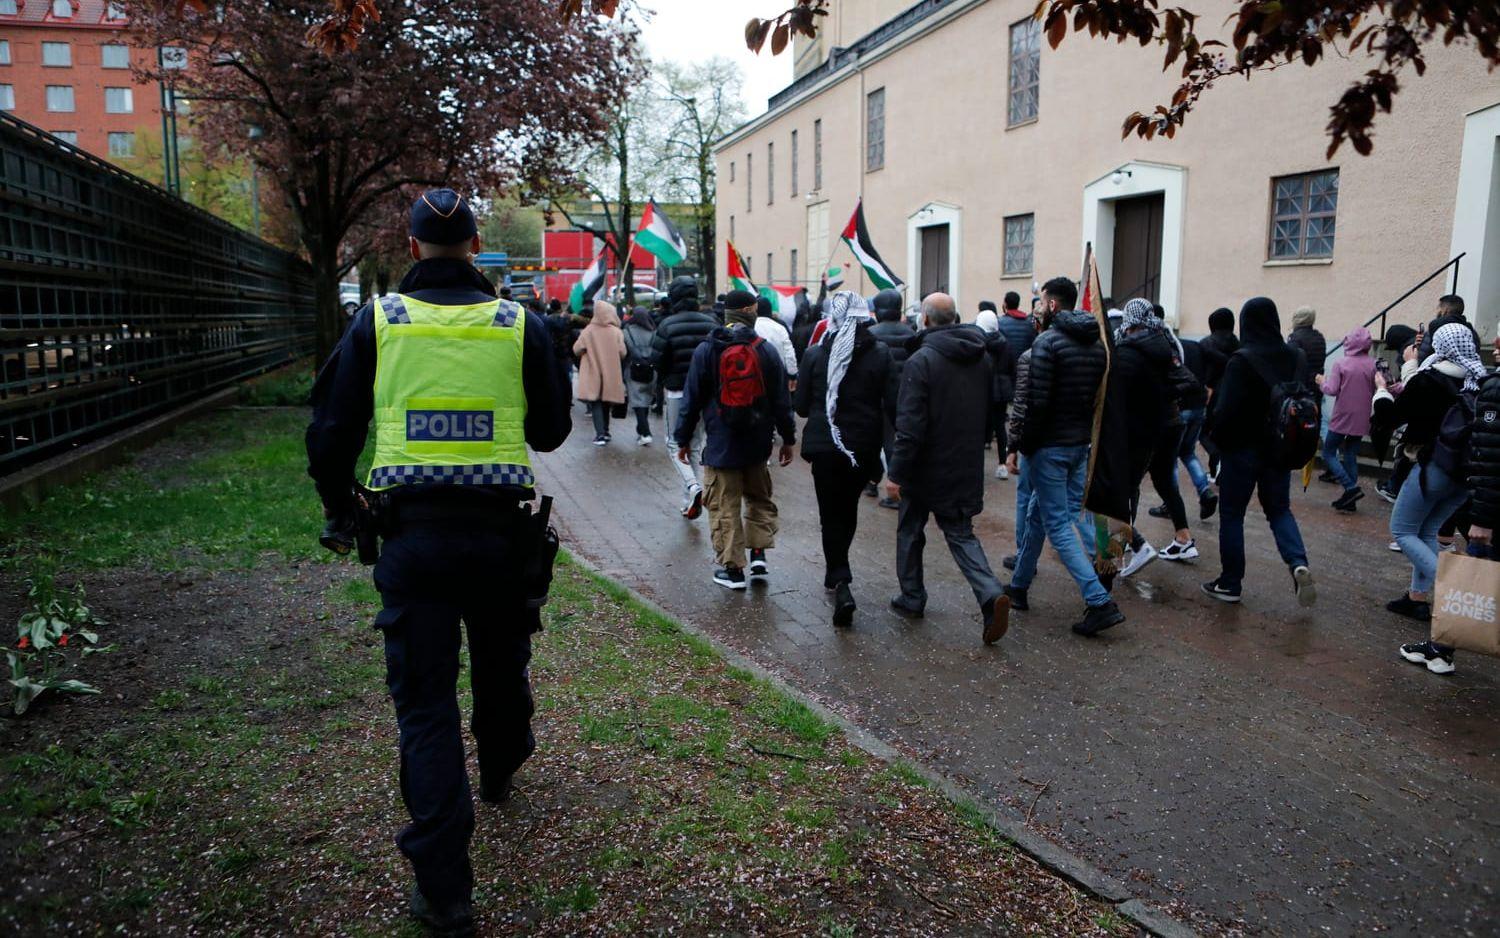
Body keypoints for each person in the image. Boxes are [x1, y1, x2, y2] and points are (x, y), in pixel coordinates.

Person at [305, 189, 571, 935]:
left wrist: (337, 506)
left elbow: (330, 431)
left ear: (413, 246)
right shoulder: (517, 323)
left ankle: (446, 889)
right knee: (500, 663)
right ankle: (501, 764)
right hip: (498, 538)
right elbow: (550, 432)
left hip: (411, 540)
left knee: (425, 707)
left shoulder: (380, 322)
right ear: (476, 242)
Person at [887, 293, 1010, 644]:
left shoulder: (921, 360)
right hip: (964, 462)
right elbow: (990, 413)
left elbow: (910, 425)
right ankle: (989, 591)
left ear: (924, 320)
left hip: (924, 466)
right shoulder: (981, 357)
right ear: (955, 318)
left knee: (910, 529)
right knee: (960, 533)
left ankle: (911, 597)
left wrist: (896, 473)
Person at [1003, 278, 1124, 637]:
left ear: (1053, 305)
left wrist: (1020, 447)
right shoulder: (1097, 345)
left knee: (1057, 523)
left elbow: (1032, 403)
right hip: (1077, 445)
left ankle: (1099, 601)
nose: (1039, 306)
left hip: (1050, 448)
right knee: (1043, 515)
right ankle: (1020, 587)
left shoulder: (1047, 343)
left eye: (1041, 300)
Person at [675, 290, 797, 589]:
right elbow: (782, 400)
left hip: (721, 442)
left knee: (724, 504)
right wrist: (788, 438)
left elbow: (691, 399)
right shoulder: (765, 349)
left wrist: (682, 439)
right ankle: (758, 555)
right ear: (750, 311)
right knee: (759, 498)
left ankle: (732, 571)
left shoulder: (708, 349)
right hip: (758, 443)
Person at [1201, 297, 1317, 606]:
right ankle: (1298, 562)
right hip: (1280, 448)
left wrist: (1216, 443)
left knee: (1232, 515)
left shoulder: (1241, 360)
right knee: (1279, 510)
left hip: (1241, 450)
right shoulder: (1296, 356)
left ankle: (1230, 582)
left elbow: (1225, 411)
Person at [795, 291, 896, 626]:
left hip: (825, 445)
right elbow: (892, 403)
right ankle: (837, 572)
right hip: (861, 447)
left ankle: (840, 578)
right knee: (847, 510)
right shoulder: (879, 353)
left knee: (830, 513)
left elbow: (799, 406)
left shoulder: (814, 354)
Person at [1376, 323, 1484, 624]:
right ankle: (1417, 598)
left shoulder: (1429, 380)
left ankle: (1458, 590)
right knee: (1426, 531)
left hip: (1434, 465)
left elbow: (1391, 417)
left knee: (1402, 530)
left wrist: (1381, 391)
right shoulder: (1480, 379)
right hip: (1465, 472)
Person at [1111, 299, 1204, 571]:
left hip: (1143, 428)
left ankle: (1118, 555)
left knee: (1118, 490)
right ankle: (1183, 538)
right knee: (1161, 483)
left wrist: (1154, 397)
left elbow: (1126, 392)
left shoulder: (1130, 350)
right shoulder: (1165, 342)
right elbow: (1189, 382)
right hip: (1166, 424)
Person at [651, 276, 717, 519]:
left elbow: (656, 359)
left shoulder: (667, 325)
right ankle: (689, 498)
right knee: (696, 444)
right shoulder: (711, 323)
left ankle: (692, 487)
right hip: (706, 393)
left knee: (674, 443)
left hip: (678, 391)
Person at [1316, 326, 1378, 511]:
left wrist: (1321, 382)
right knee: (1351, 453)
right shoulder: (1374, 364)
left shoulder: (1341, 363)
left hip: (1343, 415)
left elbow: (1331, 389)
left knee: (1328, 452)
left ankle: (1350, 487)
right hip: (1363, 415)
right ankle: (1350, 500)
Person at [869, 288, 915, 509]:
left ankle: (880, 483)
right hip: (905, 394)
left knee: (878, 441)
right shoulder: (911, 334)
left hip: (876, 395)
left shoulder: (870, 333)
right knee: (894, 441)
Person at [573, 299, 627, 446]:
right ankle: (606, 431)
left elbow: (577, 349)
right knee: (606, 402)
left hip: (593, 371)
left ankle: (600, 434)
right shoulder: (616, 332)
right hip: (610, 372)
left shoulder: (588, 331)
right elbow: (622, 352)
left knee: (596, 402)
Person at [975, 302, 1017, 482]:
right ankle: (1001, 464)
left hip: (982, 388)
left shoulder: (978, 343)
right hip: (1001, 389)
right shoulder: (1005, 342)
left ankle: (976, 466)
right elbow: (1012, 367)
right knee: (1000, 428)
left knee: (977, 428)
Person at [1198, 306, 1240, 479]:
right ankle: (1218, 469)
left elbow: (1202, 372)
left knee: (1203, 432)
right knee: (1226, 433)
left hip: (1211, 393)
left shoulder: (1205, 344)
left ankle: (1216, 458)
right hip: (1233, 392)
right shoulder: (1238, 343)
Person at [622, 305, 657, 445]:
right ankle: (641, 430)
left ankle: (645, 432)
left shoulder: (627, 331)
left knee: (637, 402)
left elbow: (626, 350)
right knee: (646, 400)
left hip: (633, 369)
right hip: (651, 369)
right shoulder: (654, 331)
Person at [754, 294, 800, 388]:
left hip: (754, 375)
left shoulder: (750, 327)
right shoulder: (780, 328)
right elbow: (789, 353)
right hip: (778, 375)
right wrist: (792, 374)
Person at [1416, 294, 1475, 358]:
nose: (1437, 310)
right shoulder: (1469, 329)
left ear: (1445, 309)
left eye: (1439, 307)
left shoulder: (1436, 325)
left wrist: (1419, 347)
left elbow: (1425, 353)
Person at [1287, 306, 1327, 385]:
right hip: (1318, 384)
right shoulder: (1319, 336)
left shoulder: (1295, 338)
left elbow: (1290, 362)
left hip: (1302, 387)